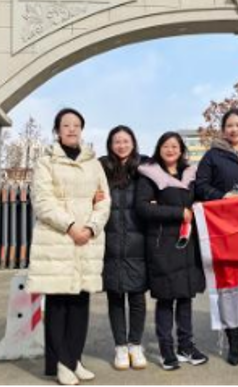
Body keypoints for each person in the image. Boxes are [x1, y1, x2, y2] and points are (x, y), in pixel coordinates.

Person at [29, 108, 108, 386]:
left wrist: (91, 227)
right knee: (58, 304)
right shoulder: (45, 162)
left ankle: (74, 359)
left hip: (86, 240)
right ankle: (61, 363)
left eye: (76, 125)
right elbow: (42, 202)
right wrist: (71, 226)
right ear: (57, 130)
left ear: (82, 129)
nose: (72, 129)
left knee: (80, 303)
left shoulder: (93, 163)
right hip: (58, 240)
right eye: (66, 125)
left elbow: (103, 200)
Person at [193, 108, 238, 366]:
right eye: (229, 126)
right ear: (223, 130)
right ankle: (234, 344)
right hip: (223, 232)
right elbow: (200, 186)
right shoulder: (212, 156)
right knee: (230, 288)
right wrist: (223, 196)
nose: (234, 129)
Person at [134, 132, 209, 371]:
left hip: (188, 244)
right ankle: (166, 350)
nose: (170, 150)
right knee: (166, 299)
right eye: (166, 146)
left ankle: (186, 346)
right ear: (159, 148)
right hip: (162, 245)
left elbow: (199, 200)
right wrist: (177, 212)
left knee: (185, 297)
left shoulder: (190, 175)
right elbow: (142, 208)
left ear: (181, 149)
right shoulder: (149, 175)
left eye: (175, 146)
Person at [98, 126, 148, 371]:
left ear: (133, 143)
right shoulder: (101, 168)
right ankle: (120, 346)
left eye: (126, 140)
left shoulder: (145, 168)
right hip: (110, 241)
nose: (121, 145)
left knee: (137, 297)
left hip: (138, 242)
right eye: (116, 141)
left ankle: (135, 345)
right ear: (110, 144)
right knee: (115, 296)